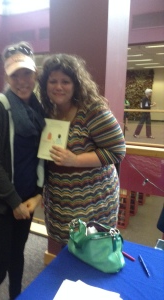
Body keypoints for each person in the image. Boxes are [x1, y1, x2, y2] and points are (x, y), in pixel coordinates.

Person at [0, 41, 45, 300]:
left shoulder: (37, 109)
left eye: (27, 73)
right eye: (16, 74)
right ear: (7, 76)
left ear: (35, 74)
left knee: (17, 260)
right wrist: (14, 202)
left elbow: (40, 155)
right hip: (3, 204)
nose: (22, 80)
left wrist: (36, 196)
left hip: (26, 202)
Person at [38, 53, 126, 255]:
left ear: (76, 84)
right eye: (53, 81)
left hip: (94, 201)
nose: (58, 86)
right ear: (45, 85)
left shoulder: (92, 110)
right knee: (65, 252)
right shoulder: (47, 112)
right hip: (60, 201)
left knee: (92, 255)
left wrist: (75, 159)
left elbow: (117, 151)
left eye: (65, 81)